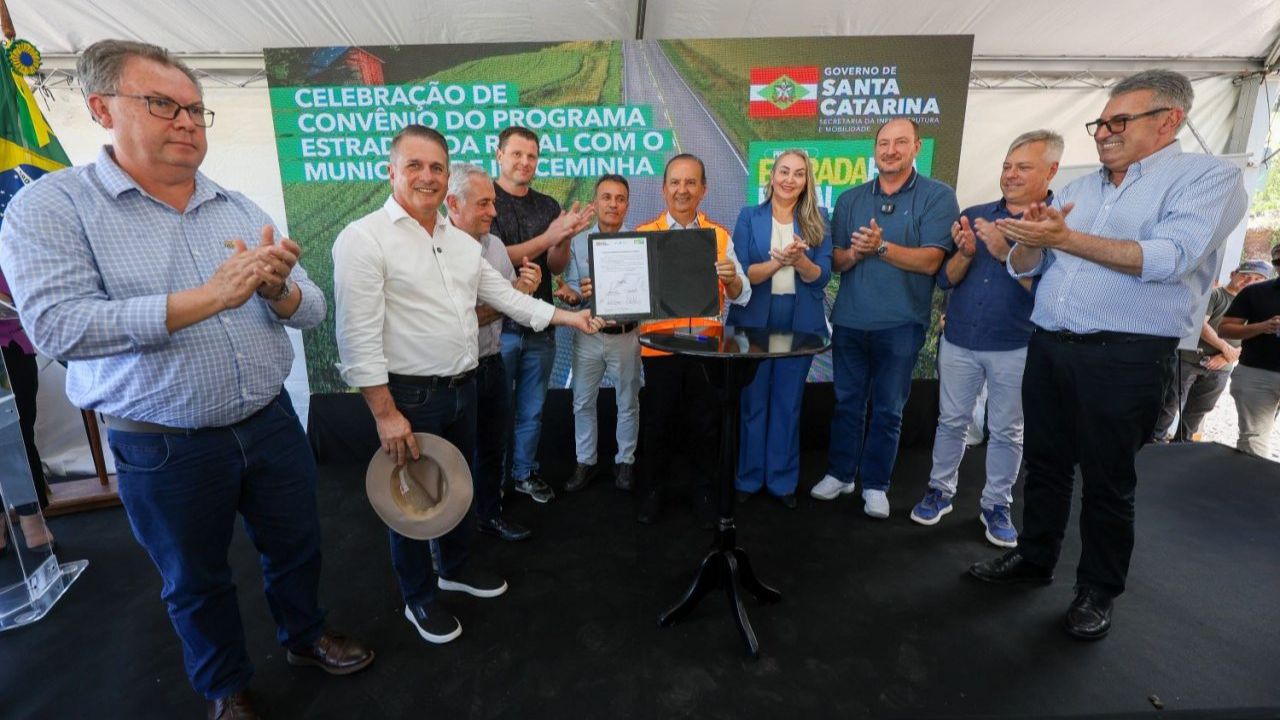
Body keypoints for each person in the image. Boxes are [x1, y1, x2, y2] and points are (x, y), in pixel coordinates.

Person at [0, 39, 374, 718]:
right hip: (163, 443)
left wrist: (277, 290)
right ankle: (225, 687)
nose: (187, 122)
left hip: (269, 423)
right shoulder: (51, 208)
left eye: (197, 111)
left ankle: (304, 634)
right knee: (195, 580)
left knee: (297, 545)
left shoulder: (235, 205)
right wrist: (210, 297)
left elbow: (312, 307)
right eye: (163, 104)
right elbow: (58, 328)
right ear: (101, 108)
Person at [970, 70, 1248, 641]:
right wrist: (1026, 242)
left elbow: (1169, 258)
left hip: (1124, 357)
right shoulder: (1079, 186)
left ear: (1169, 119)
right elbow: (1030, 268)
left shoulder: (1207, 178)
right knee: (1044, 466)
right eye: (1101, 122)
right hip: (1049, 346)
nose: (1103, 133)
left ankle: (1097, 590)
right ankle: (1033, 558)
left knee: (1107, 480)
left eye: (1120, 121)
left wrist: (1063, 240)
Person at [332, 126, 602, 645]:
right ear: (391, 171)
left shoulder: (457, 243)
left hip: (465, 385)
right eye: (415, 165)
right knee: (411, 503)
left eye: (436, 166)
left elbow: (508, 298)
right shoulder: (363, 239)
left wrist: (571, 320)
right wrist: (386, 414)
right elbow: (357, 340)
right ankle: (418, 596)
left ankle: (453, 567)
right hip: (409, 397)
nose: (427, 176)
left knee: (456, 488)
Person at [910, 130, 1062, 547]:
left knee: (1008, 429)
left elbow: (1051, 293)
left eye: (1023, 167)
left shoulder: (1058, 225)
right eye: (1007, 167)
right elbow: (946, 278)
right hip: (959, 339)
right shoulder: (976, 213)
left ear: (1051, 171)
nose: (1011, 175)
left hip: (1016, 345)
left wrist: (1004, 251)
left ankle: (996, 505)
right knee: (951, 422)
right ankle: (939, 490)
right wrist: (965, 253)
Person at [811, 118, 958, 518]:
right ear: (874, 149)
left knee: (889, 408)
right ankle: (841, 473)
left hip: (902, 324)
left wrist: (880, 248)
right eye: (883, 143)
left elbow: (931, 261)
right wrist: (857, 253)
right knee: (846, 403)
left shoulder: (937, 196)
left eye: (900, 143)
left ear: (916, 147)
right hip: (851, 321)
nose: (890, 150)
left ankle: (876, 484)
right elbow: (838, 261)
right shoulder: (850, 199)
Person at [634, 154, 751, 526]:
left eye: (690, 183)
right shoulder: (642, 235)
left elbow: (742, 293)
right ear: (663, 188)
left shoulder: (718, 236)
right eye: (675, 182)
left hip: (705, 348)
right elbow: (628, 292)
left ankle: (704, 491)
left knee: (705, 425)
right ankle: (651, 491)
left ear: (703, 189)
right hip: (659, 349)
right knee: (657, 424)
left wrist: (731, 277)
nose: (682, 190)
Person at [491, 126, 593, 504]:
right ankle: (491, 484)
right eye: (517, 154)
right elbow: (497, 257)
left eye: (531, 156)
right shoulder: (485, 200)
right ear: (499, 155)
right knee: (493, 412)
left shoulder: (548, 205)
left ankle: (523, 474)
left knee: (532, 412)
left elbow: (554, 265)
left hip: (540, 326)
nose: (525, 162)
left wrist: (563, 238)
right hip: (495, 329)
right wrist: (550, 236)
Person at [728, 149, 831, 508]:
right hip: (755, 319)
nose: (790, 179)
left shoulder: (819, 219)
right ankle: (749, 477)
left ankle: (782, 482)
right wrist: (776, 263)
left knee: (787, 402)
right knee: (753, 401)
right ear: (771, 176)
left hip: (799, 321)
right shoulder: (748, 217)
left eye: (798, 174)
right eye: (784, 171)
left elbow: (822, 278)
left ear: (806, 181)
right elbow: (741, 275)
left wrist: (800, 260)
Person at [445, 162, 541, 542]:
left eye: (493, 203)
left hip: (493, 362)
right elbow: (460, 317)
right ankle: (451, 533)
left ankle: (489, 515)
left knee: (491, 448)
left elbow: (502, 300)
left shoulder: (496, 246)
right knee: (456, 457)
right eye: (484, 204)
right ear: (453, 203)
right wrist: (516, 299)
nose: (494, 212)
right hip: (455, 373)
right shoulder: (436, 250)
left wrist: (522, 288)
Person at [560, 174, 641, 493]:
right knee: (582, 401)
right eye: (606, 197)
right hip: (589, 335)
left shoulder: (638, 243)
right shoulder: (577, 242)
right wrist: (573, 294)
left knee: (628, 402)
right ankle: (585, 460)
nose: (613, 204)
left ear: (627, 205)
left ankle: (626, 461)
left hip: (626, 335)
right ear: (596, 203)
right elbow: (572, 289)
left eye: (620, 198)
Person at [1154, 259, 1271, 442]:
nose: (1249, 281)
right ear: (1233, 275)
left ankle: (1182, 444)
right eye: (1245, 276)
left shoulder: (1258, 305)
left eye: (1256, 279)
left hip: (1221, 368)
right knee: (1170, 403)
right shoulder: (1216, 295)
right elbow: (1201, 324)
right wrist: (1225, 348)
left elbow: (1257, 336)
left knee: (1198, 410)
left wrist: (1227, 357)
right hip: (1189, 360)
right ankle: (1155, 441)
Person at [0, 268, 54, 552]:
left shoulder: (4, 242)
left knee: (16, 437)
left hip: (9, 353)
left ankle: (31, 516)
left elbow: (8, 300)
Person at [1219, 245, 1280, 457]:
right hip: (1257, 372)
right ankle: (1252, 486)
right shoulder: (1255, 292)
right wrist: (1263, 327)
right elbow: (1224, 329)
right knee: (1253, 438)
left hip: (1256, 372)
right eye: (1278, 262)